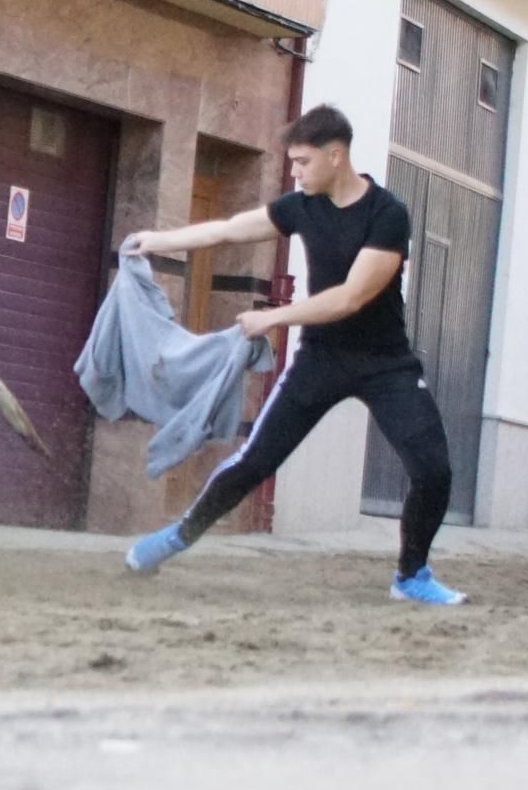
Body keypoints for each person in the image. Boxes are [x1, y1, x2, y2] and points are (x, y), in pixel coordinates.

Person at [121, 105, 467, 606]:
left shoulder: (387, 214)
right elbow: (228, 229)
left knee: (434, 470)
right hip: (320, 361)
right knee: (254, 461)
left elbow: (352, 296)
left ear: (336, 155)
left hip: (386, 364)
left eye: (303, 162)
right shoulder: (302, 207)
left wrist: (274, 318)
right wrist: (157, 241)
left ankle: (411, 577)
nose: (295, 172)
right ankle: (176, 538)